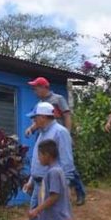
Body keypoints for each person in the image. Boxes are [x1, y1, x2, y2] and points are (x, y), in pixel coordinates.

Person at [22, 102, 82, 220]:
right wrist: (31, 180)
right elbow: (40, 159)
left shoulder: (60, 132)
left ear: (43, 117)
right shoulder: (42, 133)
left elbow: (67, 161)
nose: (33, 121)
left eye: (35, 117)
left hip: (51, 185)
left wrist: (67, 184)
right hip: (39, 183)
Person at [25, 77, 86, 205]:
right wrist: (31, 129)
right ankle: (43, 191)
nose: (34, 91)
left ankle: (78, 192)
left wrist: (68, 135)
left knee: (66, 162)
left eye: (36, 88)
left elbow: (67, 116)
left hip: (58, 136)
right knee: (43, 160)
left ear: (43, 87)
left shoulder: (58, 99)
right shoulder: (39, 104)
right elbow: (38, 121)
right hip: (44, 134)